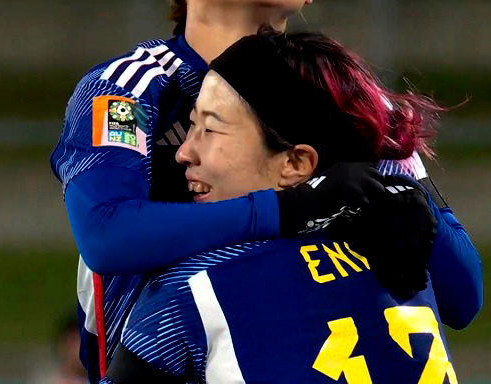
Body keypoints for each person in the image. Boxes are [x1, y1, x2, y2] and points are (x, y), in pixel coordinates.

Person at [50, 0, 482, 381]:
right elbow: (107, 234)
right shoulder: (130, 89)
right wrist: (296, 207)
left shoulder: (351, 99)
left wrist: (413, 206)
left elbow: (463, 297)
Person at [103, 28, 458, 383]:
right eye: (191, 125)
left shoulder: (193, 290)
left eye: (210, 130)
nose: (183, 152)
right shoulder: (406, 259)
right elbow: (466, 297)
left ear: (295, 163)